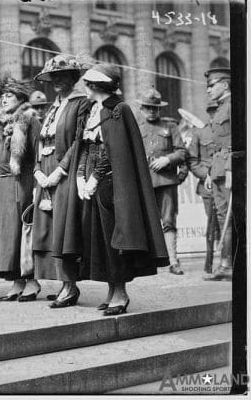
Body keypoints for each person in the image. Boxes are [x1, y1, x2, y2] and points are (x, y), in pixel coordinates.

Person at [57, 63, 169, 315]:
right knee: (98, 239)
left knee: (114, 239)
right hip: (90, 181)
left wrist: (95, 176)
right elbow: (83, 145)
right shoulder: (91, 110)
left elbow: (113, 149)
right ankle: (111, 291)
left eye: (87, 83)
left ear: (97, 85)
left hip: (111, 184)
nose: (84, 87)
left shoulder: (119, 109)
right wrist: (79, 175)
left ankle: (120, 292)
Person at [32, 55, 91, 307]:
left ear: (73, 78)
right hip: (44, 173)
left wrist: (60, 171)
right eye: (53, 76)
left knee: (64, 232)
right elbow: (41, 140)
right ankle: (60, 284)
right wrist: (38, 170)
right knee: (47, 231)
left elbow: (79, 141)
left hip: (64, 174)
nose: (56, 80)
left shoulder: (81, 104)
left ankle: (70, 286)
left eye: (62, 75)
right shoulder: (52, 107)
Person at [0, 74, 41, 301]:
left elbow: (38, 153)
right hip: (3, 184)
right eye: (2, 96)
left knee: (24, 231)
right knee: (9, 234)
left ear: (20, 97)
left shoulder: (29, 119)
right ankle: (17, 280)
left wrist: (37, 185)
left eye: (8, 95)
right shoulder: (1, 122)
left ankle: (31, 281)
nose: (4, 99)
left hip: (22, 182)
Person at [136, 89, 187, 275]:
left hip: (166, 181)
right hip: (144, 183)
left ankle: (173, 261)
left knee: (168, 221)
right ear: (141, 108)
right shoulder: (136, 127)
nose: (152, 111)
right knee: (145, 222)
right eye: (148, 108)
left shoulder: (170, 126)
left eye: (155, 108)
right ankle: (147, 261)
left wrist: (167, 160)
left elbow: (182, 152)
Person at [178, 107, 217, 274]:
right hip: (208, 188)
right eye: (213, 111)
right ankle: (210, 265)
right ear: (209, 112)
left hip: (230, 185)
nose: (217, 114)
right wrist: (206, 176)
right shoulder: (201, 133)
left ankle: (227, 263)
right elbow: (193, 161)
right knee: (212, 227)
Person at [203, 67, 233, 282]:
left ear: (225, 84)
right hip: (218, 170)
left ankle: (227, 264)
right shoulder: (221, 108)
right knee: (223, 217)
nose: (208, 90)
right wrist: (210, 172)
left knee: (231, 217)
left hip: (230, 170)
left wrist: (231, 169)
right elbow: (217, 146)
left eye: (212, 85)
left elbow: (236, 142)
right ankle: (226, 264)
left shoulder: (233, 107)